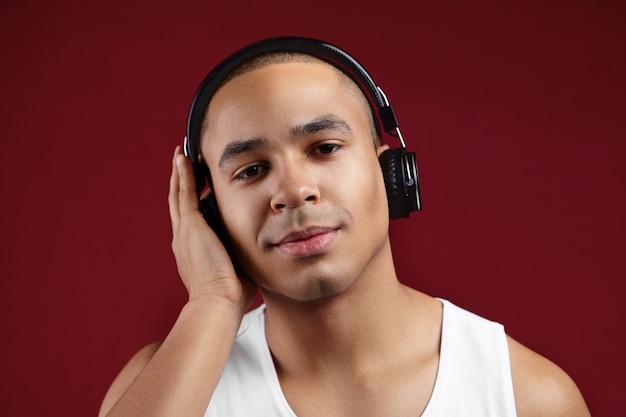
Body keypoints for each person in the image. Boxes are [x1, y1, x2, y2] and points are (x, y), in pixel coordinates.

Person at [99, 37, 591, 417]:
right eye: (250, 170)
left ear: (392, 174)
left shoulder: (526, 397)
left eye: (324, 148)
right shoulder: (163, 388)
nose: (293, 191)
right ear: (209, 215)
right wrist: (211, 301)